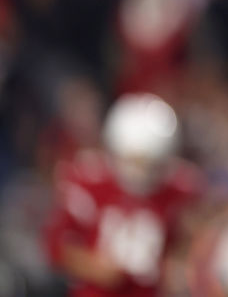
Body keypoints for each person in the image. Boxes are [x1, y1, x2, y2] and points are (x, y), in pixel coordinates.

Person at [43, 93, 203, 296]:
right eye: (134, 161)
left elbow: (192, 245)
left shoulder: (180, 190)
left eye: (150, 164)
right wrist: (93, 266)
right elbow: (55, 246)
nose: (140, 172)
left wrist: (179, 262)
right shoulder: (90, 182)